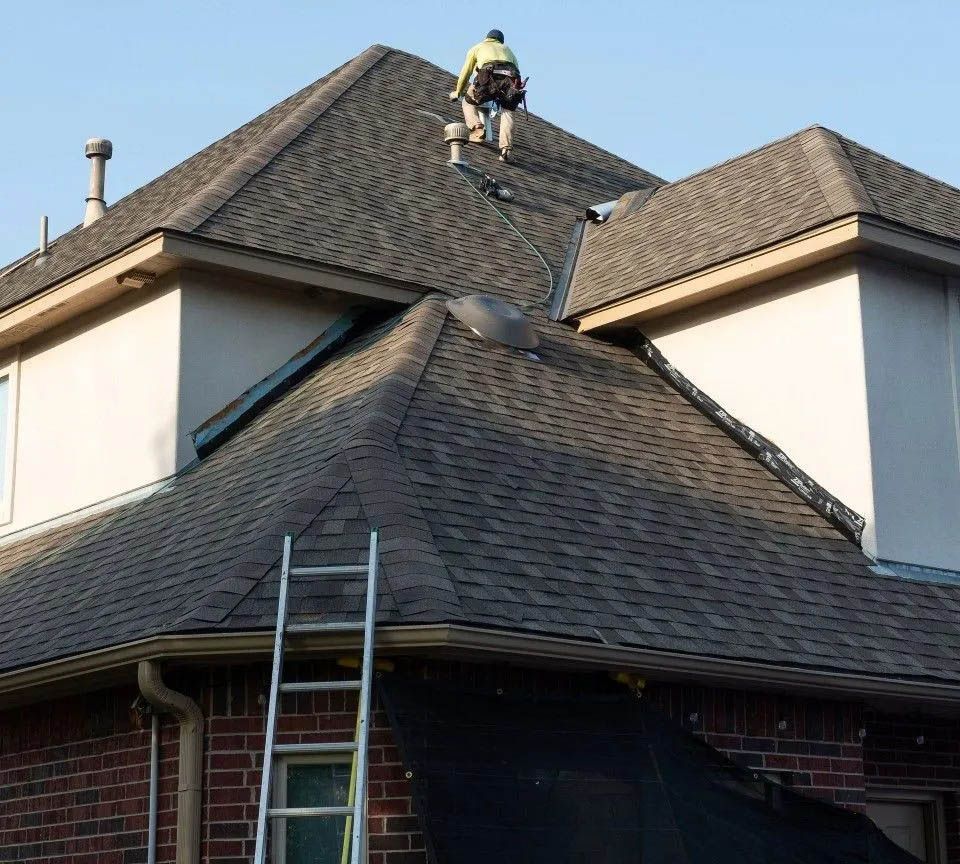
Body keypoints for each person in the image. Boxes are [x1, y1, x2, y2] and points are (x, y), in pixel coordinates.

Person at [449, 30, 523, 163]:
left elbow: (466, 72)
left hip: (488, 76)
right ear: (500, 41)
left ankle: (477, 129)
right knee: (508, 112)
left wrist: (458, 92)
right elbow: (517, 72)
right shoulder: (508, 50)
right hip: (510, 79)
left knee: (468, 100)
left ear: (487, 38)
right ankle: (506, 150)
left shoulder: (478, 47)